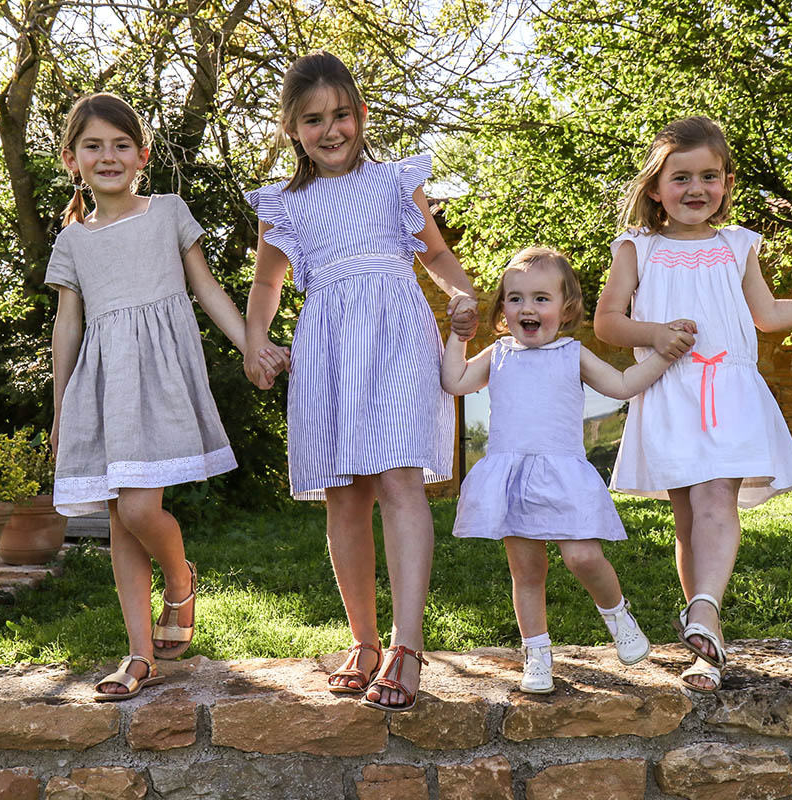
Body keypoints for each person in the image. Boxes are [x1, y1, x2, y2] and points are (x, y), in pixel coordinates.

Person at [594, 116, 792, 692]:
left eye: (710, 176)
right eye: (681, 177)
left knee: (719, 494)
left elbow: (767, 316)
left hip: (729, 390)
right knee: (689, 514)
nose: (697, 188)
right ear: (655, 187)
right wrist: (654, 334)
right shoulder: (637, 248)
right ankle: (704, 639)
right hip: (671, 390)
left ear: (725, 184)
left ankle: (704, 611)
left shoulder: (737, 244)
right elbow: (607, 322)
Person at [244, 51, 478, 712]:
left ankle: (408, 644)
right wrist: (257, 338)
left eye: (341, 114)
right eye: (313, 119)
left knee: (400, 478)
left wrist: (459, 293)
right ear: (292, 129)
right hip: (327, 346)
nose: (331, 129)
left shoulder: (393, 183)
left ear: (362, 114)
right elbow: (267, 281)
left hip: (398, 334)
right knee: (344, 492)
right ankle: (365, 640)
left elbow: (433, 252)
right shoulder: (284, 204)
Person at [47, 93, 287, 702]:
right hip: (103, 386)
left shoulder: (168, 211)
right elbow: (68, 326)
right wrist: (61, 411)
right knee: (118, 518)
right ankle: (138, 655)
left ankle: (179, 580)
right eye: (93, 146)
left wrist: (250, 346)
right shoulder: (73, 240)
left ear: (142, 155)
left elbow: (205, 288)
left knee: (136, 511)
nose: (108, 156)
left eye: (120, 144)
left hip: (160, 376)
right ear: (72, 159)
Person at [442, 247, 674, 693]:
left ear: (566, 308)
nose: (527, 308)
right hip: (512, 478)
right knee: (527, 571)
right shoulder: (499, 354)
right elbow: (455, 381)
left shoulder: (573, 353)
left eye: (541, 299)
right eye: (515, 299)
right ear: (502, 308)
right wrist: (458, 337)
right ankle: (537, 653)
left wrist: (663, 355)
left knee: (583, 556)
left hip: (563, 476)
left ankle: (618, 615)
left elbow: (623, 385)